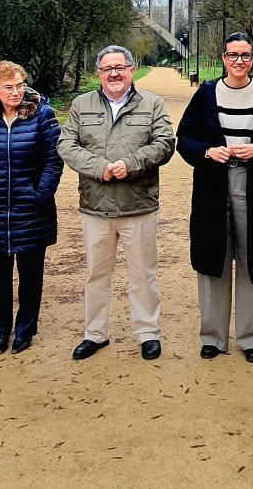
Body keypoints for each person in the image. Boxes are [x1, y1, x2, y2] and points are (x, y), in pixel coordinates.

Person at [176, 33, 253, 363]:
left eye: (245, 55)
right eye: (232, 55)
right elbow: (184, 139)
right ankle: (213, 336)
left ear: (252, 59)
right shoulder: (207, 93)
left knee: (252, 258)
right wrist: (207, 151)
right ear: (223, 58)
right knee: (213, 258)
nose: (238, 61)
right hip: (214, 185)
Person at [57, 45, 176, 361]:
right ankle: (95, 334)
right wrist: (99, 167)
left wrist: (132, 163)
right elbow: (66, 144)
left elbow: (165, 144)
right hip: (96, 207)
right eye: (107, 68)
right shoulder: (82, 105)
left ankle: (148, 333)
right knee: (96, 275)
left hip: (138, 205)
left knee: (143, 274)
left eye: (120, 67)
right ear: (98, 73)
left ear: (131, 69)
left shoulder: (152, 104)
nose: (114, 73)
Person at [0, 61, 65, 355]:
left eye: (19, 86)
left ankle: (25, 330)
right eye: (8, 87)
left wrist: (41, 193)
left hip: (32, 207)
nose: (15, 93)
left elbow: (54, 157)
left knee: (30, 274)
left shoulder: (42, 114)